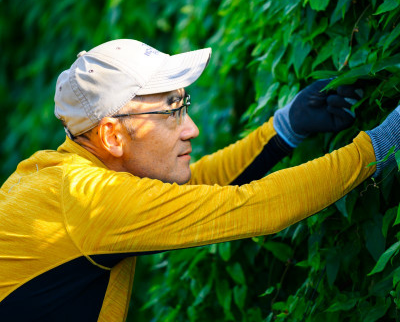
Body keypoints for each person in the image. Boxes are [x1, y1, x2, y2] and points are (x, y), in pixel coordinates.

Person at [0, 39, 398, 322]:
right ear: (112, 136)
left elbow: (198, 189)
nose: (191, 129)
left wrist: (285, 128)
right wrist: (380, 145)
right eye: (171, 110)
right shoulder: (90, 200)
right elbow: (255, 207)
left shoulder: (62, 175)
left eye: (183, 104)